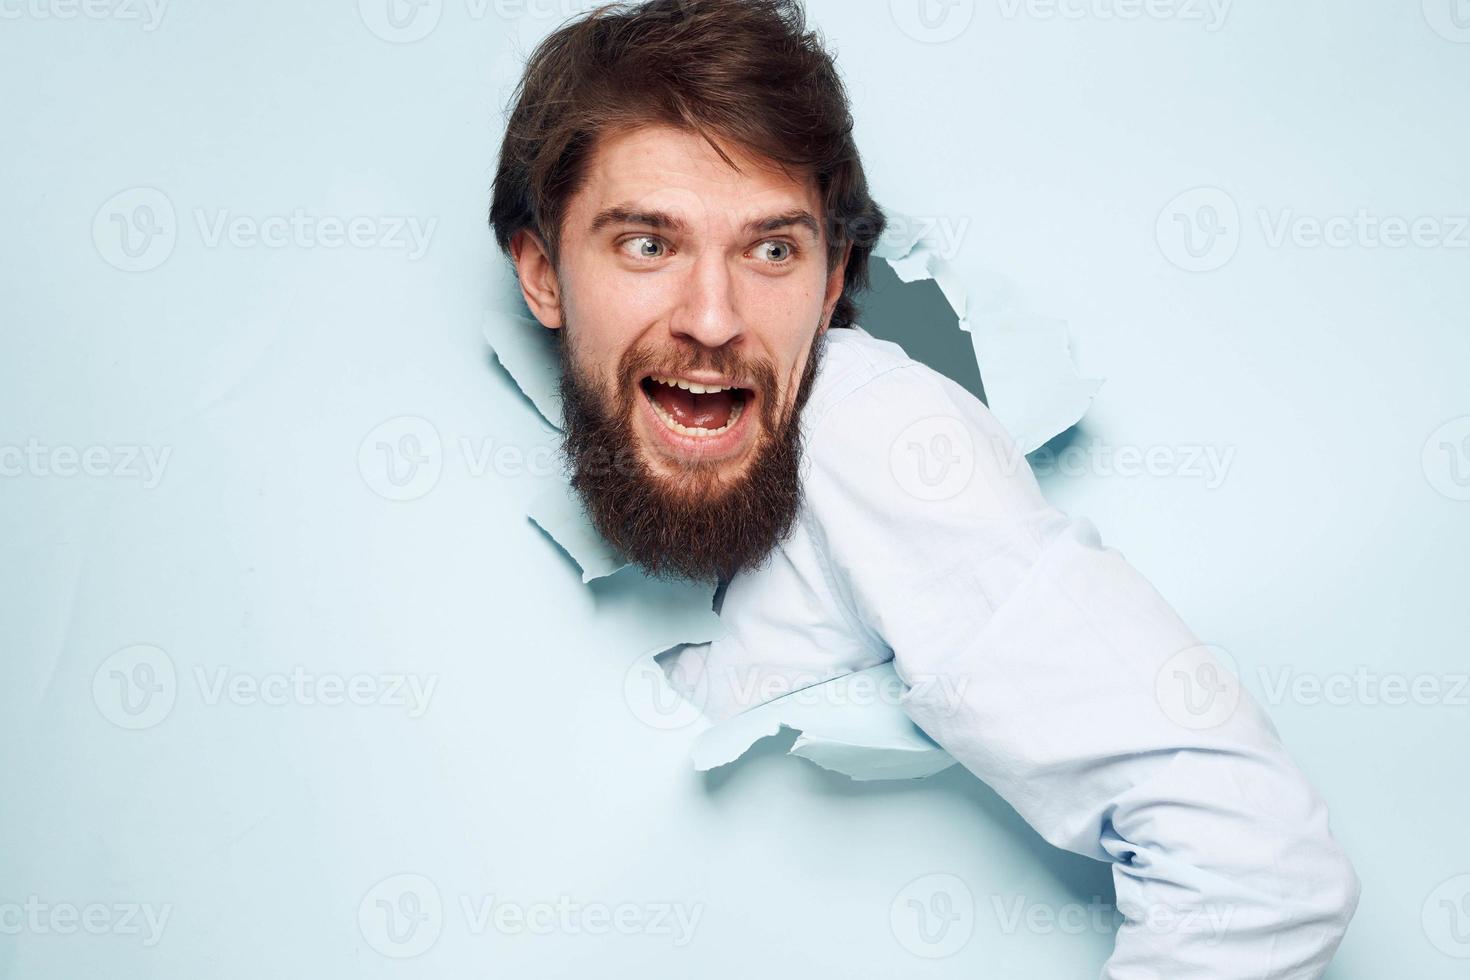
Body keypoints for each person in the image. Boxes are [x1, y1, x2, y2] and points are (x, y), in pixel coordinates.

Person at [489, 0, 1361, 973]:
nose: (711, 316)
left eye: (772, 249)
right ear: (543, 273)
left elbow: (1261, 867)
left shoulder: (875, 432)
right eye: (649, 243)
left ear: (830, 285)